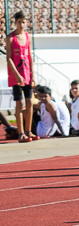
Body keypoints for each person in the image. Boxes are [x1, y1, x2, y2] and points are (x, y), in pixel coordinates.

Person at [6, 10, 34, 142]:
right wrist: (17, 75)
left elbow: (30, 56)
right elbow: (9, 58)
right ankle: (20, 133)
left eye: (23, 22)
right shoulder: (10, 37)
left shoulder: (28, 37)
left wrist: (32, 75)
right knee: (20, 102)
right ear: (15, 23)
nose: (21, 25)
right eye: (19, 22)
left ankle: (29, 131)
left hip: (27, 74)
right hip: (16, 75)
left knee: (29, 102)